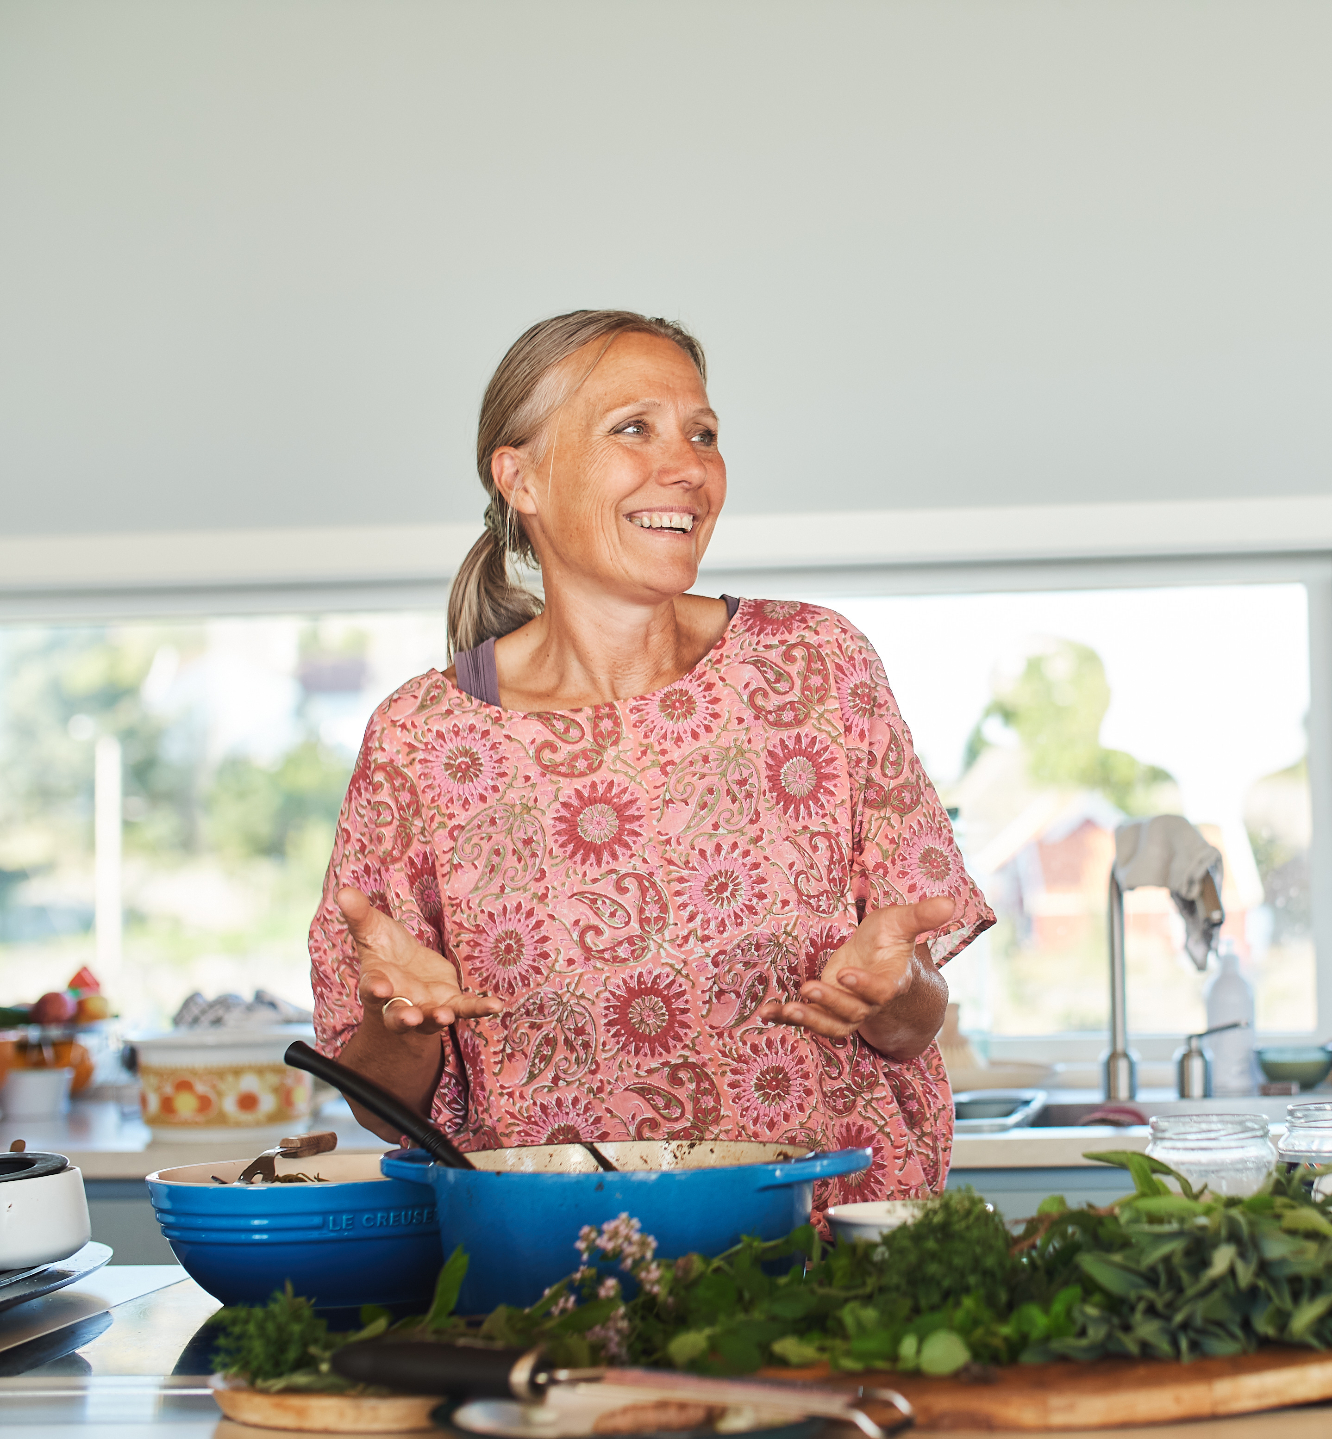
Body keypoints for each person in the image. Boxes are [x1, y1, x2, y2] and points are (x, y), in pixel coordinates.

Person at [308, 310, 993, 1212]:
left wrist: (896, 988)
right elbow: (384, 1105)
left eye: (703, 434)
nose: (689, 467)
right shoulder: (423, 740)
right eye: (634, 428)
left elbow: (912, 1028)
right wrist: (406, 1021)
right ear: (521, 477)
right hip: (557, 1283)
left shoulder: (816, 666)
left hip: (831, 1275)